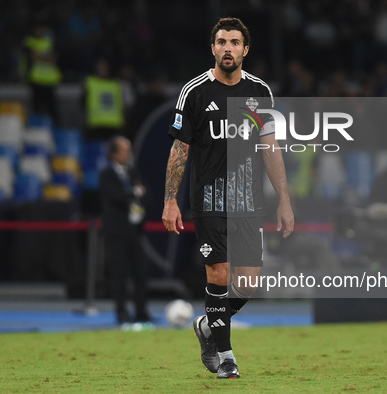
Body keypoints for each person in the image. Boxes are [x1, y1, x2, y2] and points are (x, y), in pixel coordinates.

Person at [162, 17, 294, 379]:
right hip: (208, 200)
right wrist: (170, 199)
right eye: (222, 42)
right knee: (218, 275)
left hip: (249, 202)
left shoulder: (260, 93)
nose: (228, 48)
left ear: (245, 50)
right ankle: (227, 357)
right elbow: (179, 150)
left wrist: (284, 199)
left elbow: (271, 148)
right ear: (213, 48)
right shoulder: (195, 92)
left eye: (235, 42)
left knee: (249, 283)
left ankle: (207, 325)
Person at [100, 136, 150, 323]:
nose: (128, 155)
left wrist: (135, 195)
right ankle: (121, 312)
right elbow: (117, 197)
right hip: (116, 231)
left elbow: (147, 194)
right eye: (124, 151)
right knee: (119, 272)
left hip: (134, 230)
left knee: (141, 270)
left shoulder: (131, 172)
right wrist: (135, 193)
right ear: (114, 154)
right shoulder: (106, 174)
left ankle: (141, 312)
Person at [22, 24, 62, 125]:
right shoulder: (29, 41)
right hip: (36, 80)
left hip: (50, 80)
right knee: (36, 109)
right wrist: (46, 56)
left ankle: (55, 130)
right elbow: (32, 56)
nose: (39, 31)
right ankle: (36, 131)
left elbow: (55, 57)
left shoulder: (50, 41)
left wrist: (40, 56)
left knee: (52, 110)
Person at [84, 58, 125, 141]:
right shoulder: (90, 82)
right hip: (96, 125)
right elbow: (82, 102)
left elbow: (122, 104)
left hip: (114, 125)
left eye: (104, 67)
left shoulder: (116, 84)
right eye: (100, 67)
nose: (102, 69)